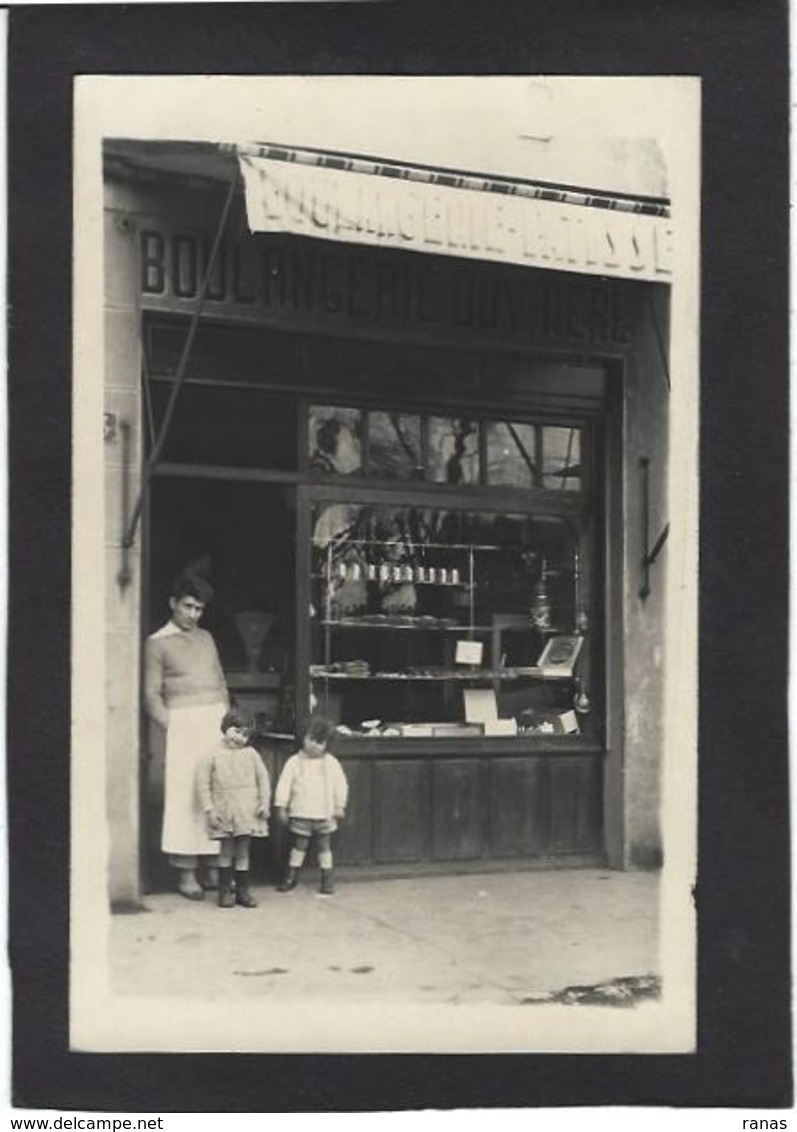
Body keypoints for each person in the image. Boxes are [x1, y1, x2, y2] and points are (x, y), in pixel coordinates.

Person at [144, 572, 228, 900]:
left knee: (215, 794)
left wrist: (227, 720)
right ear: (173, 604)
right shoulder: (156, 643)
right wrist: (174, 726)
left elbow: (220, 681)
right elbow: (150, 695)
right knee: (185, 796)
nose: (193, 614)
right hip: (182, 724)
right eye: (188, 607)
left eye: (199, 609)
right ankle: (186, 872)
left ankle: (211, 865)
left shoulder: (207, 638)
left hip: (215, 722)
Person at [197, 708, 271, 909]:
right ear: (225, 727)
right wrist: (209, 809)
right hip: (224, 810)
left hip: (247, 809)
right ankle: (225, 890)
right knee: (226, 850)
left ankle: (242, 890)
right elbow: (203, 784)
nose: (240, 738)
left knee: (243, 851)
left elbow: (263, 779)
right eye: (236, 731)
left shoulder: (251, 755)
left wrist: (264, 802)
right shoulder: (211, 755)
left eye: (246, 735)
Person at [274, 716, 348, 896]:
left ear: (327, 745)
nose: (314, 745)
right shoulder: (294, 762)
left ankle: (327, 878)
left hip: (324, 814)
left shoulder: (330, 763)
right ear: (304, 737)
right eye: (311, 739)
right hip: (301, 813)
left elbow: (341, 784)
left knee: (324, 846)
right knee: (299, 845)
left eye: (320, 742)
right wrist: (281, 806)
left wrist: (340, 805)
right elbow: (284, 784)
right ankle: (291, 876)